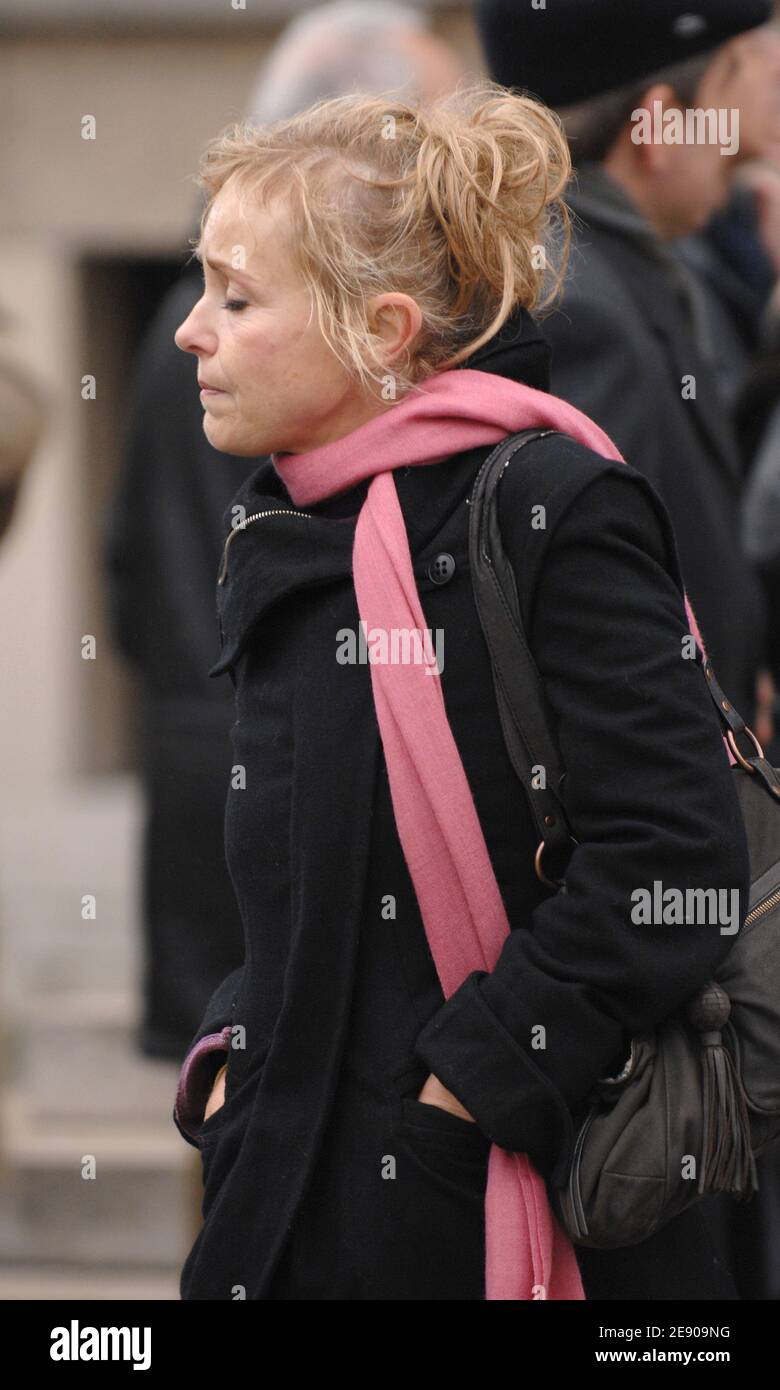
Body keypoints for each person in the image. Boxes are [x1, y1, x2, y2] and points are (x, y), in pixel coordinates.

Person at [170, 80, 749, 1301]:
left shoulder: (553, 511)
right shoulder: (287, 531)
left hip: (483, 1209)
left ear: (381, 330)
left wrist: (465, 1095)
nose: (190, 331)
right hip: (287, 1194)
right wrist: (232, 1052)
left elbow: (673, 861)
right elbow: (299, 874)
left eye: (236, 295)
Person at [103, 0, 464, 1061]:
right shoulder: (240, 353)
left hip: (206, 763)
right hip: (236, 790)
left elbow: (127, 574)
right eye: (418, 133)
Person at [476, 0, 775, 731]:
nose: (740, 160)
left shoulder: (613, 276)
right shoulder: (580, 315)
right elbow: (594, 634)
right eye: (736, 68)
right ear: (659, 126)